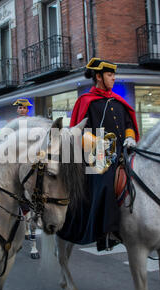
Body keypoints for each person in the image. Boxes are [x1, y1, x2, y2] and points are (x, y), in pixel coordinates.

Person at [58, 58, 140, 251]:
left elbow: (128, 124)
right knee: (105, 180)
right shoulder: (86, 101)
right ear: (98, 77)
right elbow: (78, 131)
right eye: (109, 75)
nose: (113, 78)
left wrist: (130, 137)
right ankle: (107, 232)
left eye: (113, 75)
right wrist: (97, 143)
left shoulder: (118, 101)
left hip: (123, 150)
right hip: (97, 154)